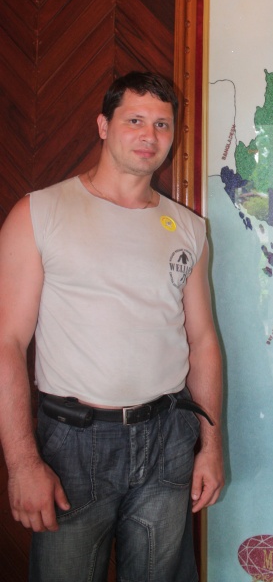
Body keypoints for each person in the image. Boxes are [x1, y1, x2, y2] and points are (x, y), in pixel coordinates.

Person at [0, 71, 224, 582]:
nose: (150, 135)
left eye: (162, 124)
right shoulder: (40, 212)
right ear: (103, 126)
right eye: (135, 120)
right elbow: (7, 343)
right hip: (74, 444)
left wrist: (210, 448)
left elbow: (203, 341)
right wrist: (22, 464)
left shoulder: (189, 228)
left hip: (169, 437)